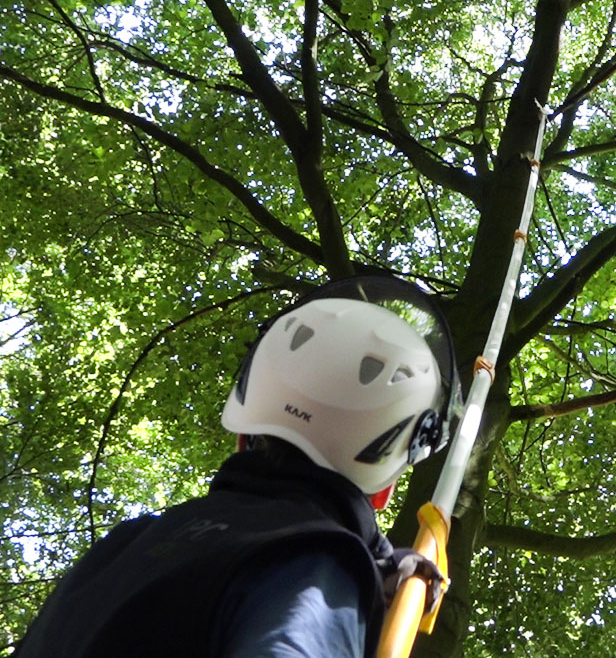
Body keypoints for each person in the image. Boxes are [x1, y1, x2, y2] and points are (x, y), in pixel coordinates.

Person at [14, 275, 462, 658]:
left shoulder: (124, 547)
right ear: (382, 491)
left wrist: (380, 561)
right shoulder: (311, 563)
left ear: (244, 433)